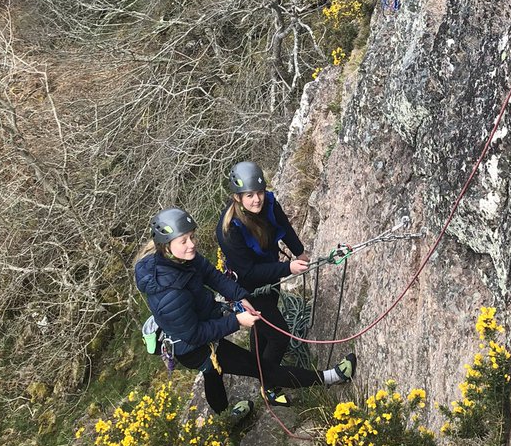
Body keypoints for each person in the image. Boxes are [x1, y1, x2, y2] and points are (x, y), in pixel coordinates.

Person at [135, 206, 354, 421]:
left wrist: (240, 296)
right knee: (260, 368)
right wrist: (237, 320)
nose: (191, 244)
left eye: (192, 237)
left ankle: (222, 420)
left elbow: (212, 275)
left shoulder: (181, 260)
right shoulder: (170, 293)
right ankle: (331, 377)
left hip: (200, 325)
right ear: (166, 245)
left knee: (212, 372)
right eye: (183, 241)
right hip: (193, 347)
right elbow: (194, 335)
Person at [217, 161, 347, 406]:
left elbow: (283, 226)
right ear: (237, 197)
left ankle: (260, 366)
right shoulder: (229, 230)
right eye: (249, 195)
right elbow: (248, 271)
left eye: (259, 192)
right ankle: (268, 384)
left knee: (262, 330)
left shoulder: (269, 203)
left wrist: (299, 251)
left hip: (269, 277)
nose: (257, 199)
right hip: (248, 289)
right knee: (279, 337)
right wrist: (288, 268)